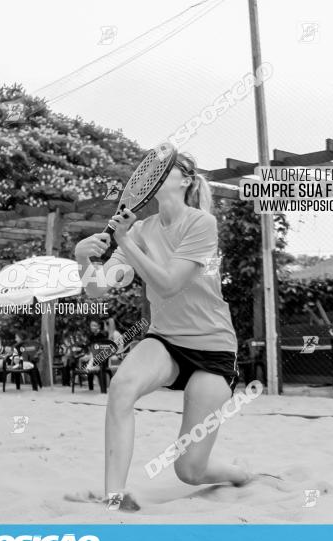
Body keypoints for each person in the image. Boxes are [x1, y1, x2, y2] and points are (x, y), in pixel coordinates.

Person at [74, 151, 256, 511]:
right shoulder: (141, 230)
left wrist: (125, 242)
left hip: (213, 350)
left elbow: (170, 283)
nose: (153, 174)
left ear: (185, 180)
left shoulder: (202, 223)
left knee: (188, 470)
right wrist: (83, 258)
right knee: (122, 387)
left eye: (164, 169)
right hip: (166, 340)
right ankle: (114, 498)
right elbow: (100, 287)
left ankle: (238, 474)